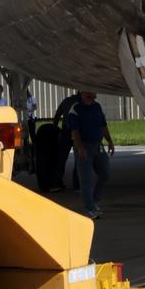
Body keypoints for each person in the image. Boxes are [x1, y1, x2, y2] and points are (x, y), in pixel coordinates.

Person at [68, 91, 115, 219]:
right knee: (86, 179)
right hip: (84, 146)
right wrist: (80, 148)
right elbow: (75, 131)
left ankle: (94, 201)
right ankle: (89, 208)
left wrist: (110, 141)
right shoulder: (76, 109)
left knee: (105, 173)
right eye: (91, 90)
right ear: (84, 92)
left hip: (98, 145)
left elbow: (103, 125)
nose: (95, 93)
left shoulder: (97, 106)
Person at [49, 90, 80, 192]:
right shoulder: (82, 101)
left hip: (65, 131)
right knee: (78, 159)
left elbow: (57, 115)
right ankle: (77, 184)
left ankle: (56, 184)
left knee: (61, 159)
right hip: (77, 132)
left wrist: (54, 127)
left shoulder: (67, 101)